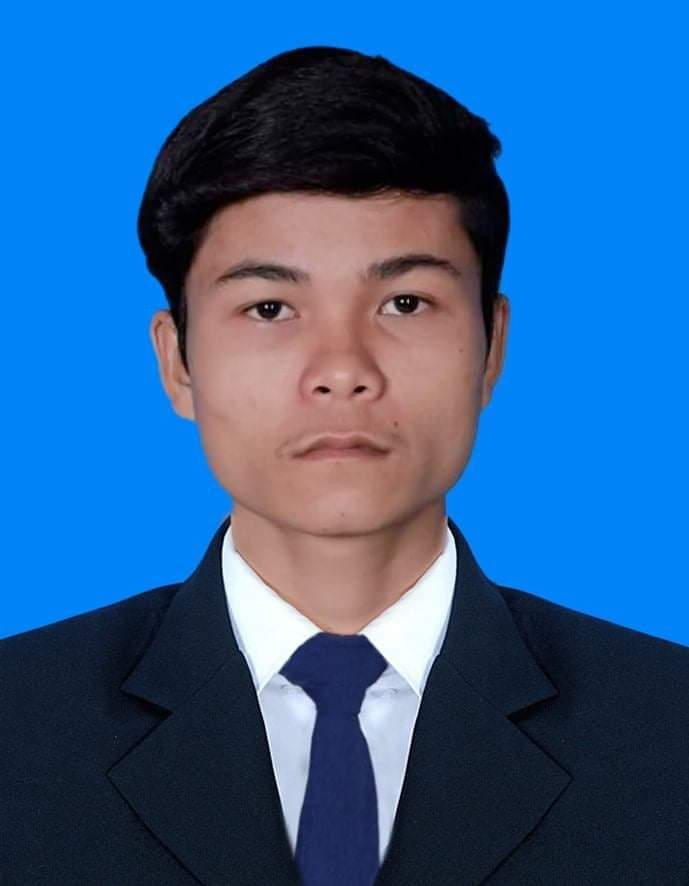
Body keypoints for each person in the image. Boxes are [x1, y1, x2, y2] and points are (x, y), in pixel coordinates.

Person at [2, 45, 688, 886]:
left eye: (404, 302)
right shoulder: (17, 727)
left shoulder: (667, 730)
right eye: (269, 307)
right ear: (177, 362)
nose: (341, 369)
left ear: (491, 348)